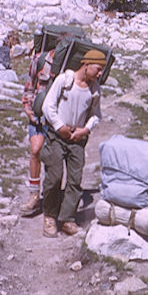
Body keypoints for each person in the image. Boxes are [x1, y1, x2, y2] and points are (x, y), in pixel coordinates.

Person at [41, 49, 105, 237]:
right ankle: (50, 216)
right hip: (56, 136)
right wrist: (59, 126)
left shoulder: (94, 88)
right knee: (54, 176)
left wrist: (85, 130)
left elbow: (96, 115)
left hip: (77, 139)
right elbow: (48, 106)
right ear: (86, 65)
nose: (100, 73)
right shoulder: (64, 80)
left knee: (75, 180)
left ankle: (67, 218)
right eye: (98, 69)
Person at [20, 49, 56, 216]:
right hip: (38, 117)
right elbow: (30, 84)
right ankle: (34, 195)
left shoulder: (70, 67)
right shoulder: (40, 60)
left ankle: (50, 198)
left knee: (53, 159)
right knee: (35, 151)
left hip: (57, 120)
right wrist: (28, 108)